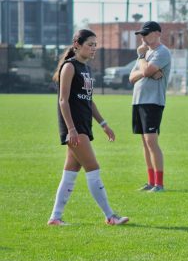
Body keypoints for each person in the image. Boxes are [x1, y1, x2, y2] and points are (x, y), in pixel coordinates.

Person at [48, 29, 129, 226]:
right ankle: (110, 215)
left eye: (95, 45)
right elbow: (62, 100)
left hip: (83, 125)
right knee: (93, 168)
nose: (94, 48)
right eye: (90, 44)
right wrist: (71, 129)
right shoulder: (70, 67)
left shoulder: (86, 69)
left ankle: (55, 218)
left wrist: (104, 124)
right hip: (75, 127)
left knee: (70, 173)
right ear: (77, 44)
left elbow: (89, 102)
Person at [129, 21, 172, 192]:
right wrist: (147, 70)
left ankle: (159, 184)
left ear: (157, 33)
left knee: (151, 141)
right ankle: (151, 181)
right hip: (138, 101)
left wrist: (142, 60)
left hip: (153, 102)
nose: (143, 37)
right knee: (145, 143)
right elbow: (132, 77)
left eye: (146, 34)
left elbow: (145, 71)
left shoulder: (162, 52)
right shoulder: (146, 53)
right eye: (142, 34)